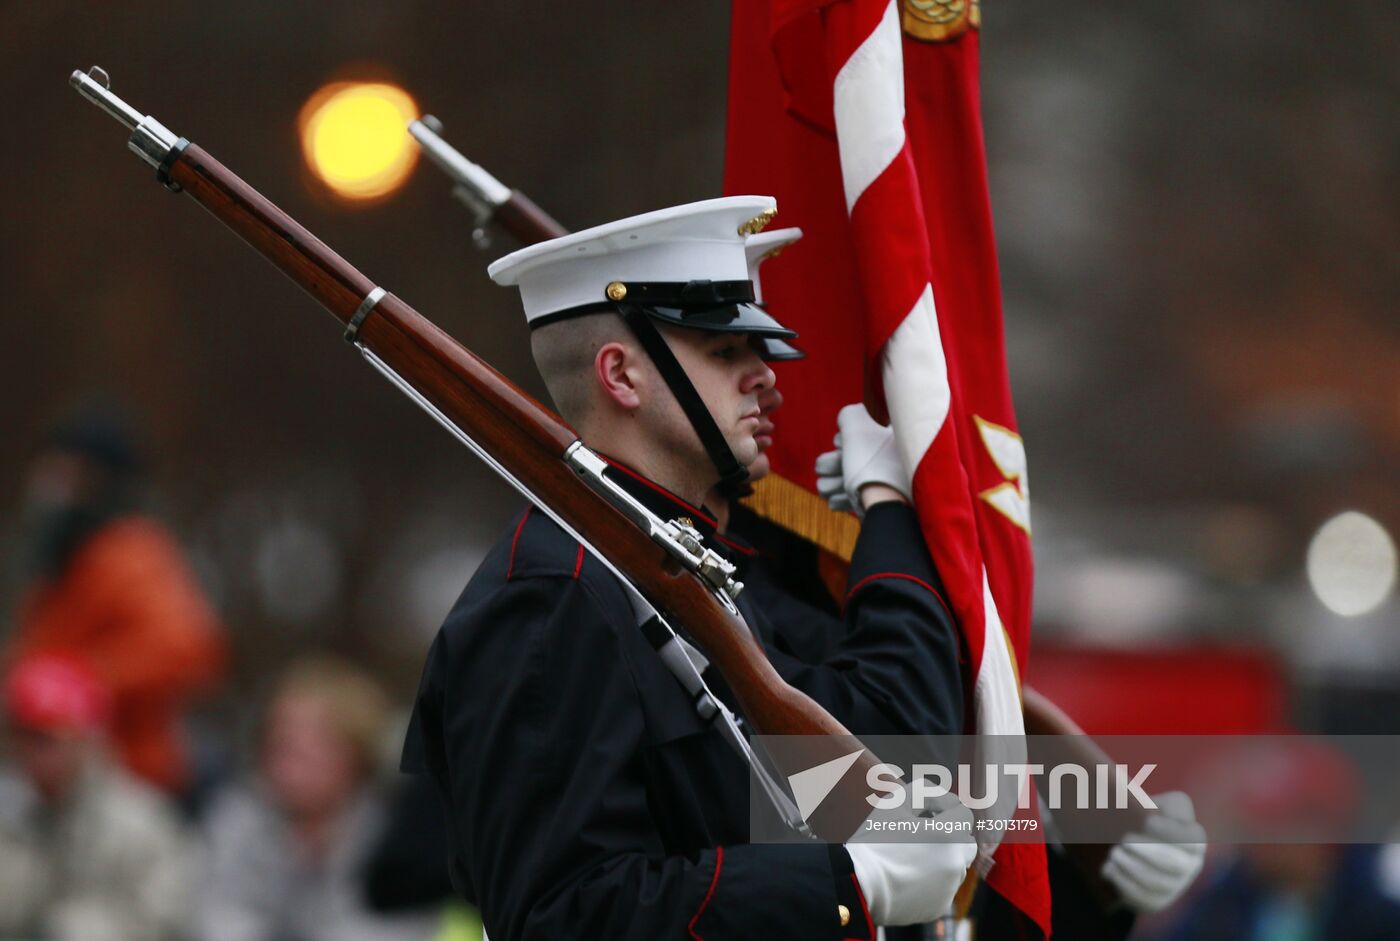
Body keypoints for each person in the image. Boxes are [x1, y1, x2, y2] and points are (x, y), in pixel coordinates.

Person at [404, 196, 980, 941]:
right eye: (725, 351)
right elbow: (563, 915)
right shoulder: (555, 595)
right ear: (622, 375)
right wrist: (846, 883)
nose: (766, 378)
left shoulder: (668, 566)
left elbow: (876, 741)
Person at [7, 409, 226, 794]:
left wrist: (76, 682)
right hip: (62, 779)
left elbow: (187, 648)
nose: (48, 488)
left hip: (131, 777)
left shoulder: (131, 551)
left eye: (63, 473)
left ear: (97, 480)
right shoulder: (61, 559)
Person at [195, 657, 436, 941]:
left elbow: (398, 928)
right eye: (281, 745)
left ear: (356, 756)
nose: (290, 764)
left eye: (315, 747)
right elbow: (215, 918)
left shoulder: (386, 836)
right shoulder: (236, 821)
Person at [0, 653, 192, 941]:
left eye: (46, 739)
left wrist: (66, 929)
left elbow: (164, 918)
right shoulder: (11, 814)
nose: (32, 754)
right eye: (23, 737)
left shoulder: (142, 823)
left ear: (85, 739)